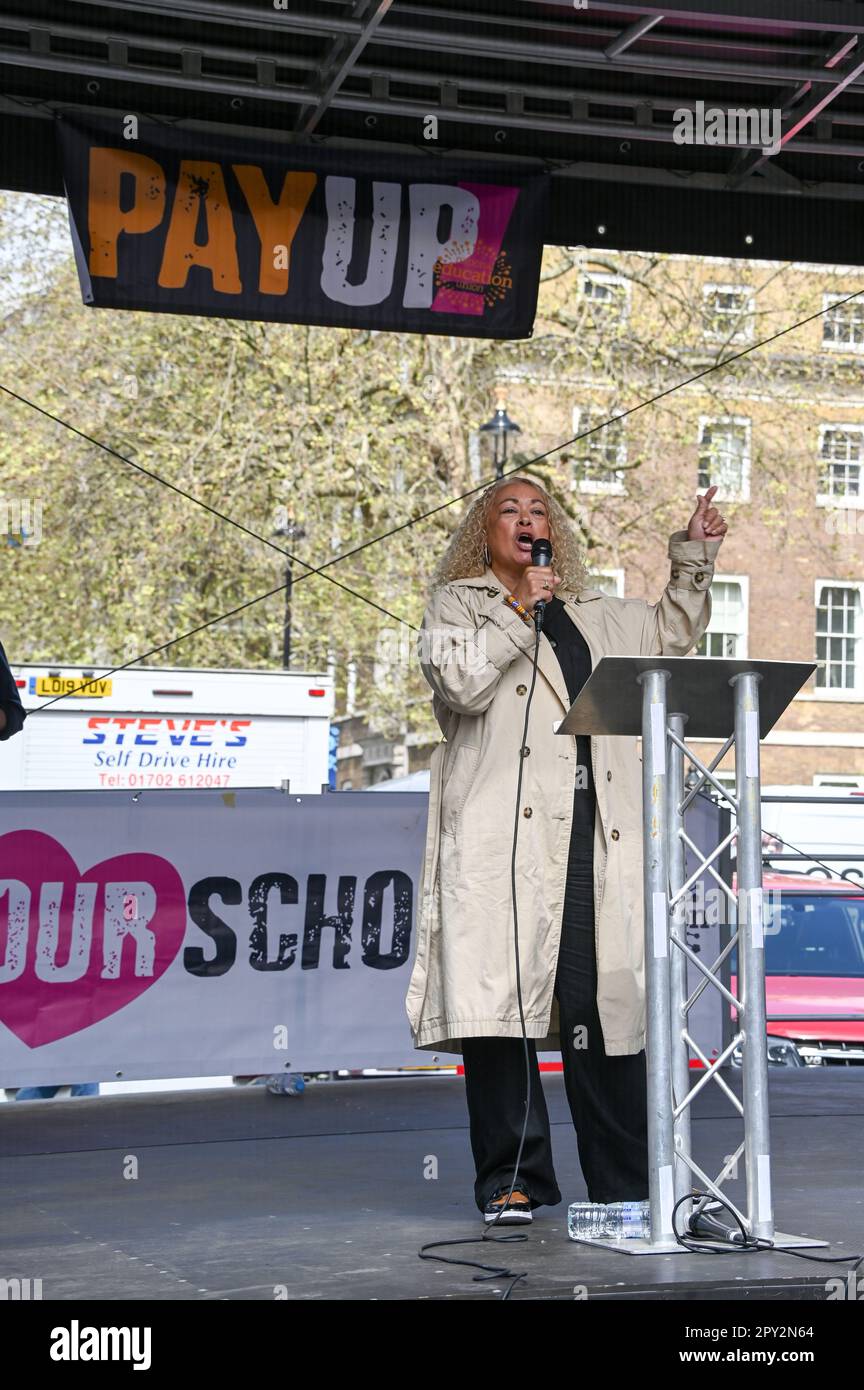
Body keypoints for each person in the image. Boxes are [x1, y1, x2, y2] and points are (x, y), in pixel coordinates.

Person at [405, 475, 727, 1223]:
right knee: (501, 1008)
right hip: (502, 839)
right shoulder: (458, 606)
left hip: (594, 835)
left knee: (603, 1004)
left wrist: (694, 557)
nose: (527, 519)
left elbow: (669, 633)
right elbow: (461, 682)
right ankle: (512, 1181)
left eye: (539, 509)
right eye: (509, 511)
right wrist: (520, 609)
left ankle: (626, 1182)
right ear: (482, 533)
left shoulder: (590, 613)